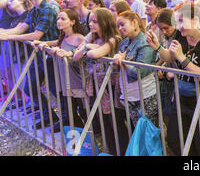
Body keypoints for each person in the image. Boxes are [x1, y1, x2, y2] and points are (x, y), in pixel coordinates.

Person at [146, 2, 200, 156]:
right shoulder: (181, 35)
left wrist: (181, 57)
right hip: (181, 98)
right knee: (175, 139)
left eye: (181, 21)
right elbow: (169, 57)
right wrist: (158, 47)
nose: (178, 26)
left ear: (194, 20)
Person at [0, 0, 60, 130]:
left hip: (50, 55)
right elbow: (22, 28)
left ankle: (65, 119)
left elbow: (36, 35)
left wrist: (9, 37)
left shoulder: (48, 9)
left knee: (54, 89)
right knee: (29, 87)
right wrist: (4, 33)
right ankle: (49, 116)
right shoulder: (34, 9)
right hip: (39, 55)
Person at [73, 8, 128, 156]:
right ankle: (111, 151)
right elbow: (76, 56)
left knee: (115, 122)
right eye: (90, 21)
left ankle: (123, 152)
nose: (91, 24)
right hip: (95, 85)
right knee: (104, 123)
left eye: (95, 21)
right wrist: (87, 44)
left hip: (111, 87)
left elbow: (95, 53)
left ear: (105, 22)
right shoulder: (92, 37)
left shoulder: (114, 38)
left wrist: (89, 47)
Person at [32, 9, 86, 129]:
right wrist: (43, 43)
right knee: (70, 112)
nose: (59, 21)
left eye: (63, 19)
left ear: (72, 22)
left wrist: (64, 52)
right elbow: (56, 43)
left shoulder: (79, 38)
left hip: (75, 80)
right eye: (58, 18)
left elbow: (78, 57)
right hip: (64, 81)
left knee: (82, 110)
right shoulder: (63, 37)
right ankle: (74, 138)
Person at [113, 11, 159, 127]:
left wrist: (123, 62)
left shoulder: (145, 43)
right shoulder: (124, 42)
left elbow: (140, 72)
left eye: (122, 24)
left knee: (147, 132)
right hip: (130, 95)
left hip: (145, 95)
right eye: (118, 26)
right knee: (137, 130)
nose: (120, 28)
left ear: (134, 22)